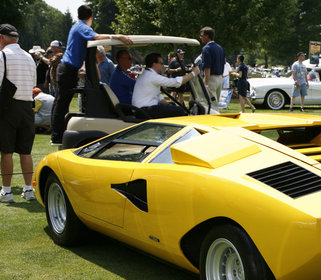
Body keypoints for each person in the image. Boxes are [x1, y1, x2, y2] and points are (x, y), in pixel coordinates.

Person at [50, 5, 132, 144]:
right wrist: (117, 36)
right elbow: (96, 37)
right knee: (61, 103)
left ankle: (57, 134)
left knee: (61, 102)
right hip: (68, 69)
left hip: (68, 69)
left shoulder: (77, 26)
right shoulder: (82, 27)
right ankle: (57, 136)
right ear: (91, 17)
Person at [0, 24, 36, 203]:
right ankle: (28, 189)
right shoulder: (29, 57)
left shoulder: (3, 55)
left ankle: (6, 191)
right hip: (27, 106)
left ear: (2, 38)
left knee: (6, 151)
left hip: (9, 107)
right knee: (25, 151)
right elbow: (34, 82)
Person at [131, 52, 199, 118]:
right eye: (161, 63)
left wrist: (168, 105)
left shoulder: (147, 74)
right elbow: (174, 82)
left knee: (172, 105)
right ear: (154, 64)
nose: (163, 65)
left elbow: (158, 95)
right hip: (144, 111)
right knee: (180, 111)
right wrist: (193, 74)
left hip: (142, 110)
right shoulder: (151, 76)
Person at [199, 26, 225, 103]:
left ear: (207, 36)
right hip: (219, 78)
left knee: (210, 104)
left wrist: (206, 82)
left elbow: (207, 66)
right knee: (215, 103)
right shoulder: (220, 48)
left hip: (211, 79)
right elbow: (223, 64)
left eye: (201, 35)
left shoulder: (206, 48)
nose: (200, 37)